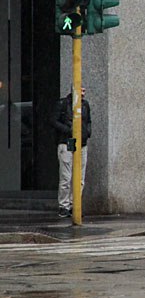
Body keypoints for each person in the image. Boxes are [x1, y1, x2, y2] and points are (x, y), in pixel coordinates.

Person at [54, 87, 91, 218]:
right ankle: (64, 206)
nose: (83, 93)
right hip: (68, 140)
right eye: (81, 90)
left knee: (80, 178)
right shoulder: (63, 104)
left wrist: (87, 132)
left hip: (81, 142)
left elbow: (88, 121)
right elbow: (54, 121)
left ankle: (74, 205)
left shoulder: (85, 105)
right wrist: (69, 130)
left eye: (84, 91)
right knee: (66, 176)